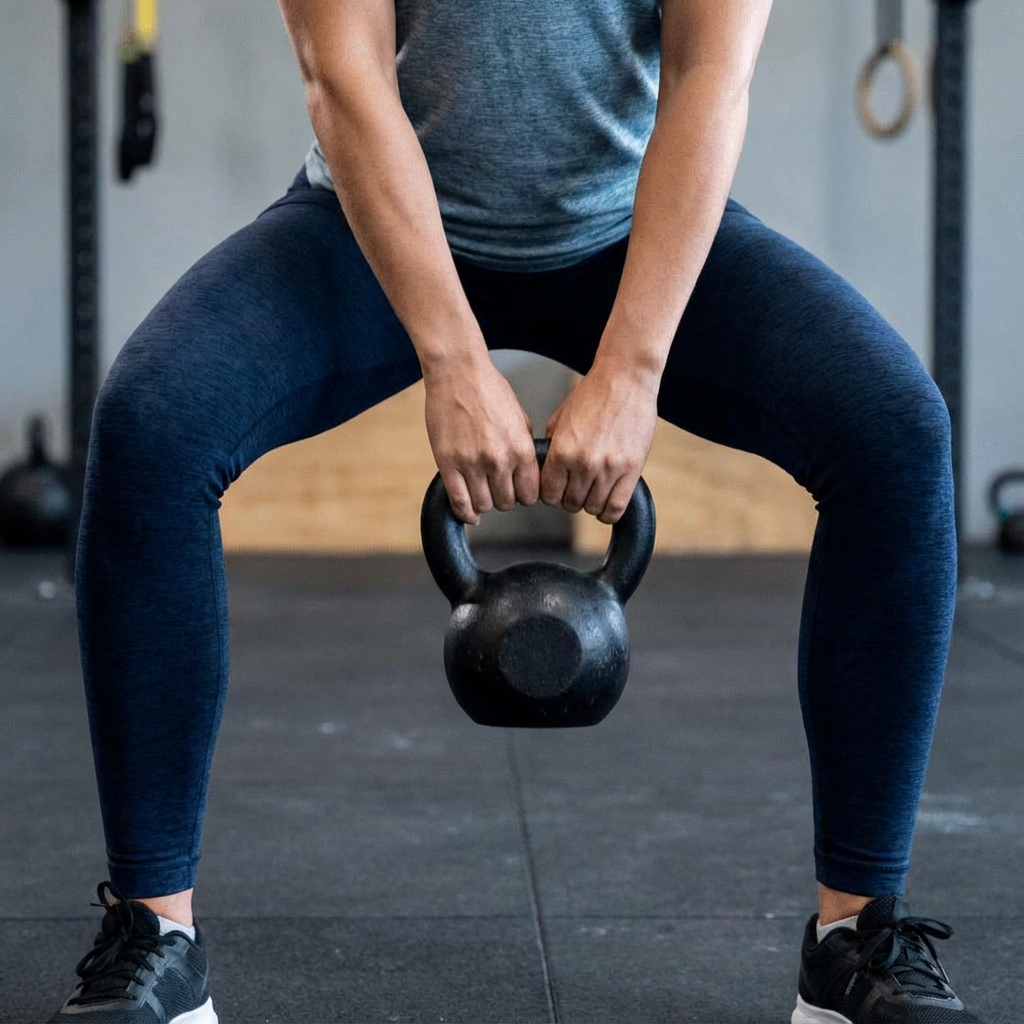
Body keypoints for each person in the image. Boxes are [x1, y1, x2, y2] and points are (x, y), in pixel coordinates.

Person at [49, 2, 980, 1022]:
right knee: (153, 423)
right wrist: (451, 356)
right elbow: (344, 76)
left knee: (893, 430)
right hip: (375, 228)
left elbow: (709, 73)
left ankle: (853, 941)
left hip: (630, 228)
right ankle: (155, 934)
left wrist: (632, 366)